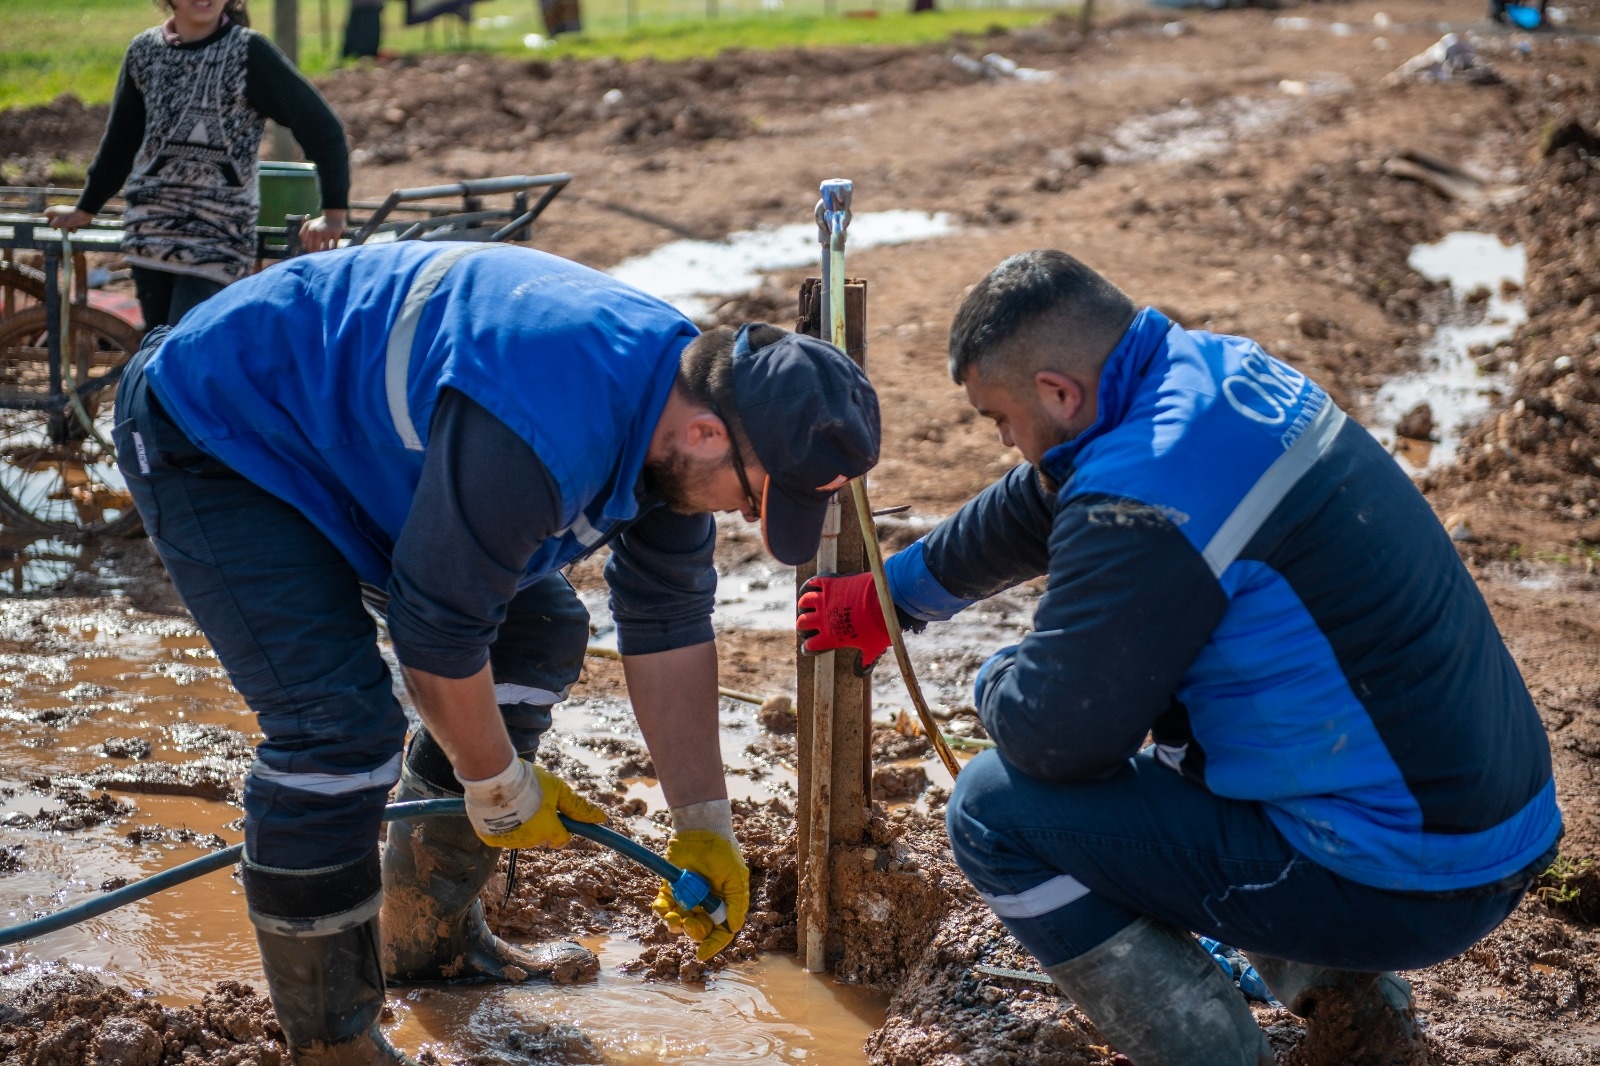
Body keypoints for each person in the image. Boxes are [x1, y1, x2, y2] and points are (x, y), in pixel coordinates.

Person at [112, 240, 880, 1064]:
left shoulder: (682, 404)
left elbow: (668, 622)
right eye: (753, 497)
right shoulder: (549, 421)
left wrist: (705, 823)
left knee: (537, 628)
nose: (738, 515)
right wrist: (498, 783)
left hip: (348, 448)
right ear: (704, 435)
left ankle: (426, 937)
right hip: (220, 429)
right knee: (334, 729)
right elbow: (434, 635)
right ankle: (333, 1046)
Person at [797, 249, 1561, 1065]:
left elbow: (1056, 739)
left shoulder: (1141, 495)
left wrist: (997, 680)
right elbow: (1043, 495)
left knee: (995, 811)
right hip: (1491, 827)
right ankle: (1356, 1012)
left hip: (1408, 880)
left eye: (1002, 421)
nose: (1009, 443)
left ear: (1058, 391)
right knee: (1190, 736)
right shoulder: (1211, 378)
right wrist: (896, 594)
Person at [45, 0, 349, 330]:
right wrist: (85, 208)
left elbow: (322, 128)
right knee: (158, 357)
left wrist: (334, 212)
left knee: (185, 356)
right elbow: (121, 141)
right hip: (150, 237)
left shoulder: (249, 53)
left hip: (217, 242)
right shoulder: (144, 52)